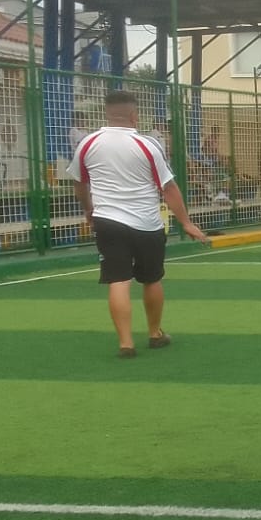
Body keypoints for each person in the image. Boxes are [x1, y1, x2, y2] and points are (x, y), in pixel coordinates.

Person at [69, 91, 208, 359]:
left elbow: (79, 183)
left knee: (118, 280)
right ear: (135, 115)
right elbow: (169, 188)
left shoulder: (88, 143)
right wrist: (186, 223)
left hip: (108, 221)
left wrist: (88, 209)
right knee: (151, 279)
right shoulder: (147, 145)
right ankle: (155, 334)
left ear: (106, 114)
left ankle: (126, 343)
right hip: (147, 223)